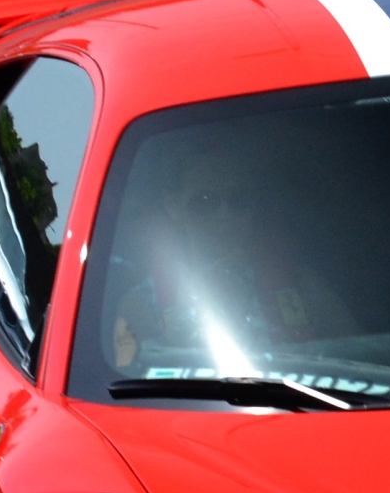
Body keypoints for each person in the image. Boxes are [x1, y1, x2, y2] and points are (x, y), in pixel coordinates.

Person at [109, 144, 354, 372]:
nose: (224, 214)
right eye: (205, 202)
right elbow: (126, 394)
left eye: (238, 200)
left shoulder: (300, 288)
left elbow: (363, 361)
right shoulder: (142, 305)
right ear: (174, 206)